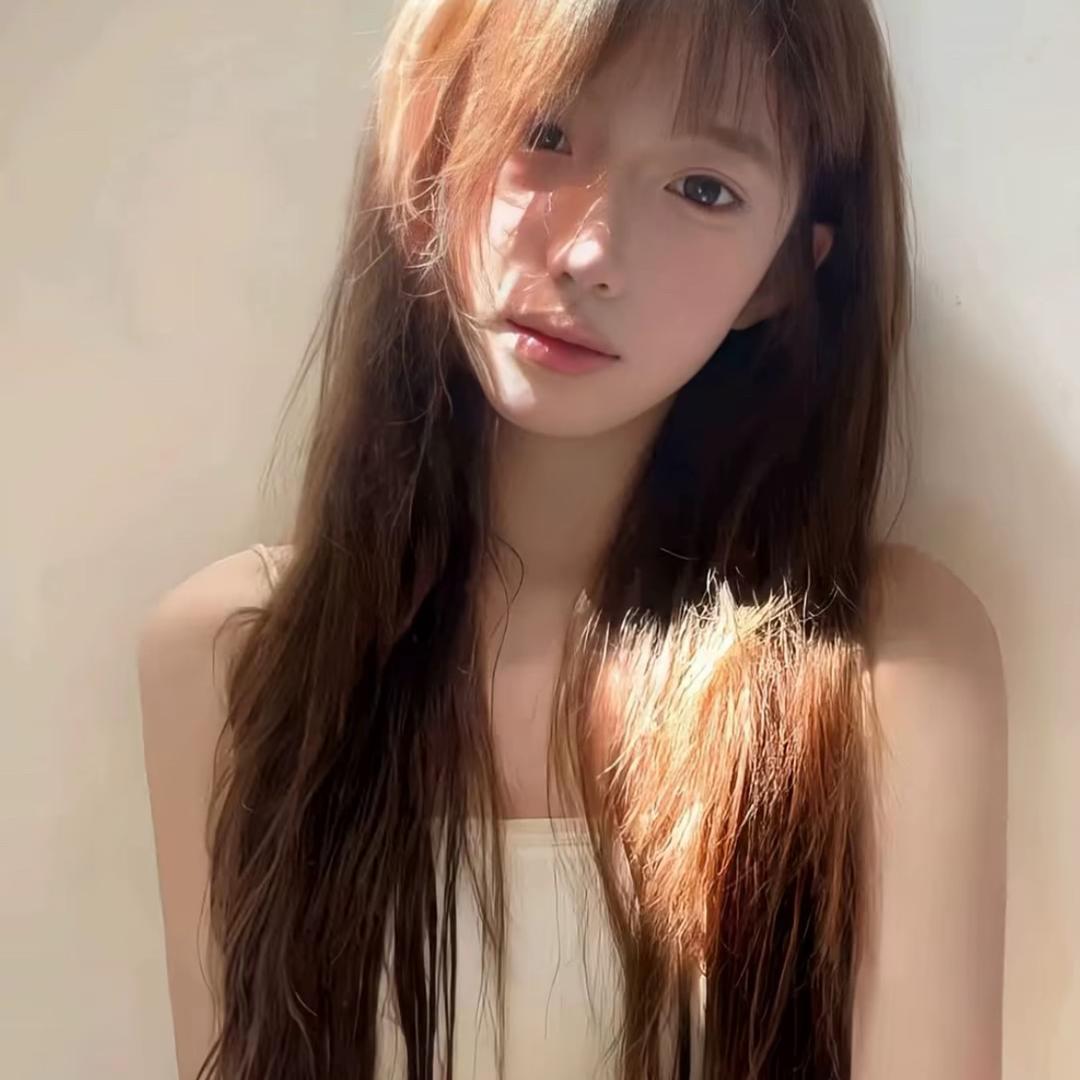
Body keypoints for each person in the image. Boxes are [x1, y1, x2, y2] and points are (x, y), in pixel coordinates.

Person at [136, 1, 1008, 1077]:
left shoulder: (881, 659)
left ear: (787, 272)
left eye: (703, 189)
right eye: (544, 131)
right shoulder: (234, 654)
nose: (592, 250)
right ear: (427, 149)